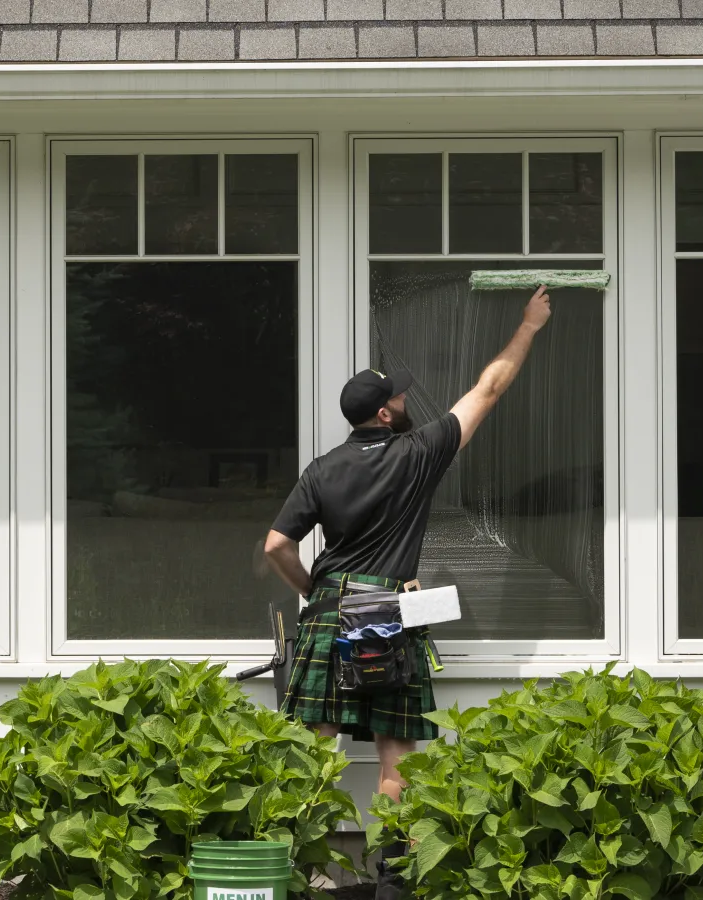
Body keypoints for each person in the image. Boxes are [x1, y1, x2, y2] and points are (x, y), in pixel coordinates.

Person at [262, 285, 553, 899]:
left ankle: (291, 876)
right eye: (398, 393)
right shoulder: (418, 453)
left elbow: (274, 547)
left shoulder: (320, 469)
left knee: (316, 748)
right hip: (387, 612)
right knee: (397, 755)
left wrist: (315, 588)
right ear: (387, 414)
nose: (405, 396)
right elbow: (488, 389)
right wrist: (527, 326)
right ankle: (392, 882)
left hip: (331, 610)